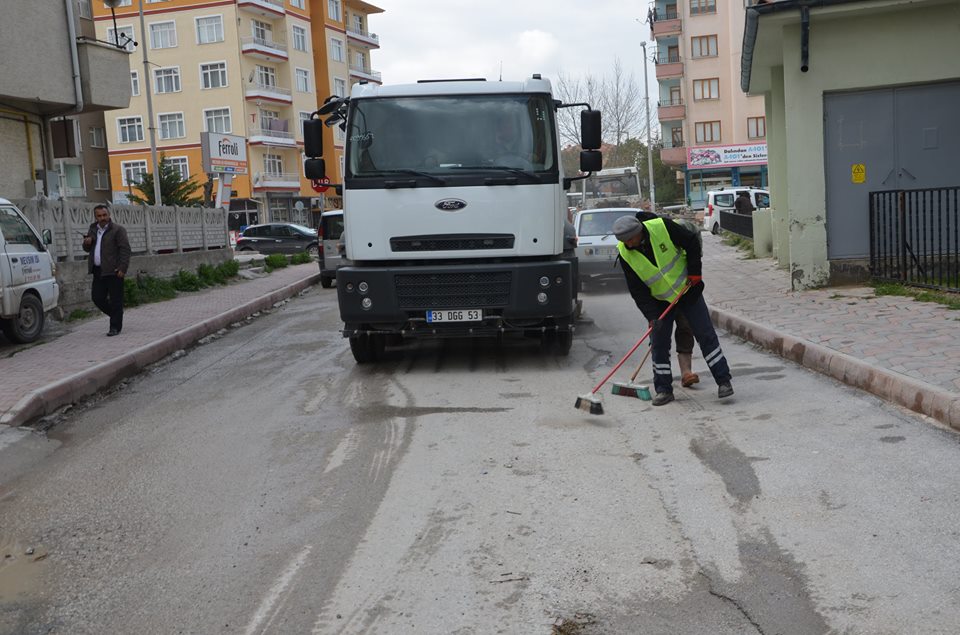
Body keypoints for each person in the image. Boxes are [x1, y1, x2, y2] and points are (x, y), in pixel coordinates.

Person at [613, 212, 733, 405]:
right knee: (658, 344)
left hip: (688, 291)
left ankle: (723, 381)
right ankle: (663, 390)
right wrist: (652, 317)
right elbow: (638, 291)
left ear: (639, 232)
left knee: (705, 335)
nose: (628, 244)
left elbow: (692, 242)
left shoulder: (662, 227)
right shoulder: (625, 253)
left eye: (630, 239)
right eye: (624, 241)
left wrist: (695, 272)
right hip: (659, 301)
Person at [82, 204, 131, 336]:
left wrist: (122, 267)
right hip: (98, 270)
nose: (102, 218)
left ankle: (114, 327)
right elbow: (87, 249)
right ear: (95, 217)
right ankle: (117, 314)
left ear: (109, 215)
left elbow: (125, 250)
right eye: (99, 216)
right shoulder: (93, 229)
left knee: (116, 299)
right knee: (97, 298)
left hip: (114, 270)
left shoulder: (117, 230)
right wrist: (86, 243)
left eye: (104, 215)